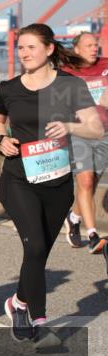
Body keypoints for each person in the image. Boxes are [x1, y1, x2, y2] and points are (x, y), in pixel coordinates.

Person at [0, 23, 101, 346]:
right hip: (18, 179)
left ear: (50, 49)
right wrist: (0, 138)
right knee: (35, 246)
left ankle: (18, 303)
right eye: (20, 48)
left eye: (30, 47)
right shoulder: (8, 88)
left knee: (38, 255)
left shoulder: (71, 85)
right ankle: (40, 321)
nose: (24, 53)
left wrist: (68, 125)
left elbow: (95, 128)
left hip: (58, 183)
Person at [62, 31, 108, 255]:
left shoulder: (106, 66)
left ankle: (74, 217)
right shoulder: (66, 72)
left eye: (96, 45)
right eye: (89, 45)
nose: (94, 49)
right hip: (78, 131)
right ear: (76, 49)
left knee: (91, 183)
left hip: (103, 133)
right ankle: (92, 235)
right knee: (86, 181)